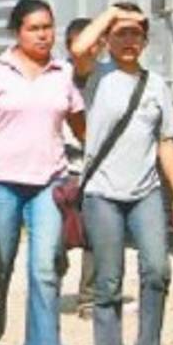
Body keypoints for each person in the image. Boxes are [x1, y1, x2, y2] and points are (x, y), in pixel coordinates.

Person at [0, 0, 85, 345]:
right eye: (34, 29)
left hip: (49, 182)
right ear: (18, 32)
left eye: (48, 28)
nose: (43, 35)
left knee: (45, 268)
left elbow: (83, 127)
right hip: (0, 182)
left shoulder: (62, 73)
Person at [70, 4, 173, 345]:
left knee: (157, 270)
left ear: (146, 40)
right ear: (107, 38)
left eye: (136, 33)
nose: (129, 40)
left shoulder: (156, 85)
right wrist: (111, 13)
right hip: (102, 192)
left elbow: (166, 141)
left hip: (146, 191)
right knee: (108, 279)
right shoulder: (96, 76)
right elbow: (79, 49)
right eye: (121, 33)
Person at [63, 16, 97, 316]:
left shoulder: (109, 78)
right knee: (55, 239)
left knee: (95, 236)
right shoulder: (57, 77)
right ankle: (49, 285)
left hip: (95, 170)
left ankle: (89, 298)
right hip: (61, 169)